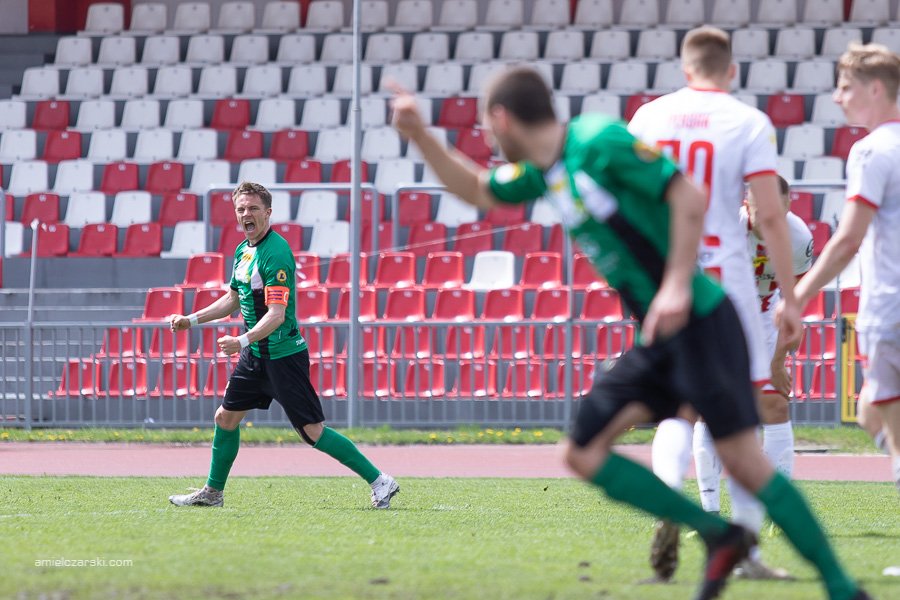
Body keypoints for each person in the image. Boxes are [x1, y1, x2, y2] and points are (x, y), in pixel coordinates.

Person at [389, 67, 869, 600]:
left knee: (743, 462)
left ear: (502, 118)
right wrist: (420, 136)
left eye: (485, 126)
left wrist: (676, 284)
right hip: (662, 336)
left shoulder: (600, 140)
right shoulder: (543, 170)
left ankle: (842, 587)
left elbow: (688, 196)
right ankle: (720, 535)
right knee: (582, 452)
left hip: (704, 321)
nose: (485, 137)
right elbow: (477, 190)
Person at [627, 26, 803, 582]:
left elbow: (627, 195)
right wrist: (791, 297)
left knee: (678, 406)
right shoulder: (746, 121)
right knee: (742, 413)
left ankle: (670, 503)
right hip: (729, 288)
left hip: (669, 277)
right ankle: (745, 549)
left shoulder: (649, 118)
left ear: (685, 68)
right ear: (730, 71)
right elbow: (770, 216)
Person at [167, 181, 400, 509]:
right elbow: (233, 298)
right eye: (241, 209)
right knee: (225, 418)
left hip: (283, 356)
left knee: (312, 431)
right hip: (255, 356)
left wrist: (241, 340)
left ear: (268, 213)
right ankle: (213, 492)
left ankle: (381, 481)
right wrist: (191, 320)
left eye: (253, 208)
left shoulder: (276, 254)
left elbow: (276, 315)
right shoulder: (244, 250)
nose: (246, 214)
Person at [791, 42, 900, 495]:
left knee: (889, 428)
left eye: (845, 87)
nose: (837, 97)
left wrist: (798, 295)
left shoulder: (872, 151)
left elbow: (848, 241)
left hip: (890, 307)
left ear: (875, 88)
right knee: (870, 413)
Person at [691, 175, 813, 580]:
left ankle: (780, 507)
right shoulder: (723, 225)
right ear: (746, 202)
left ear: (789, 203)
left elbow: (793, 299)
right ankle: (708, 511)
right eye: (759, 208)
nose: (767, 216)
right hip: (720, 312)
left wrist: (779, 359)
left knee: (776, 403)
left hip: (765, 314)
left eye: (775, 207)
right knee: (712, 411)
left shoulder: (797, 236)